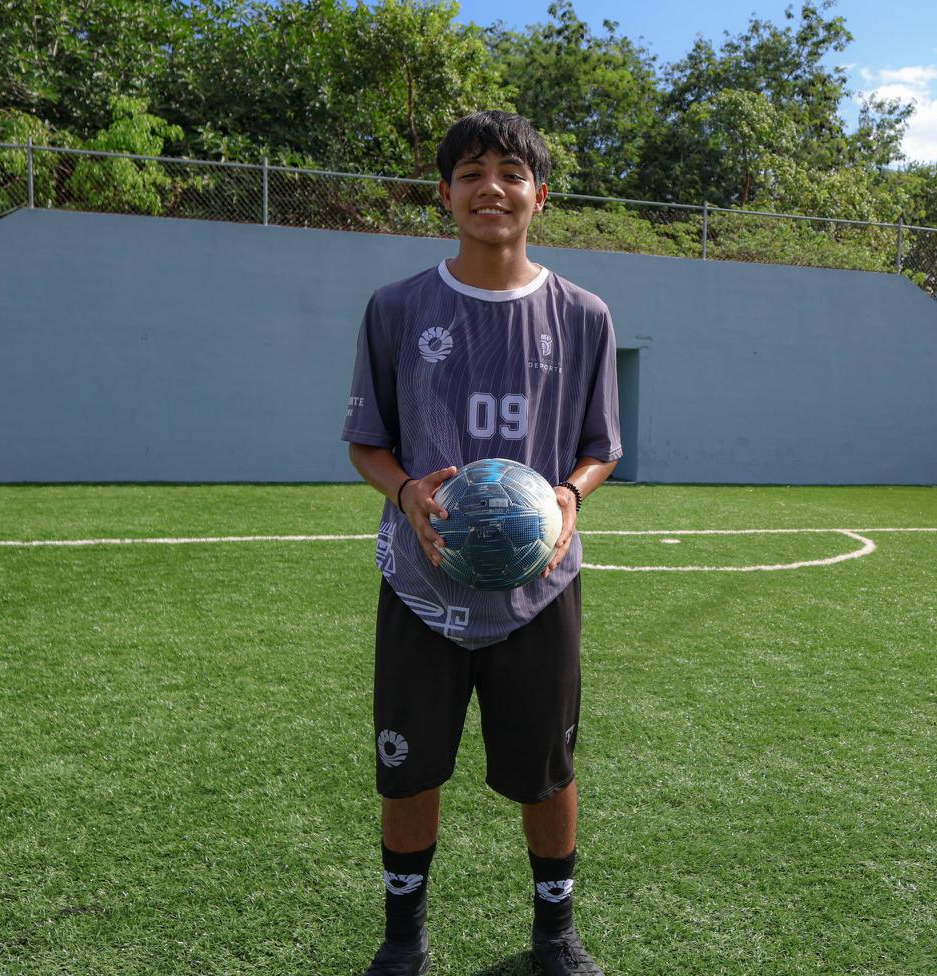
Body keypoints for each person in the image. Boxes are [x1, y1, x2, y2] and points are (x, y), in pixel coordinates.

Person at [341, 110, 622, 976]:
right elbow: (366, 442)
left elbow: (601, 447)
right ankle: (403, 940)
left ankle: (555, 936)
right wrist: (406, 491)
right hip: (422, 583)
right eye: (470, 173)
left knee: (548, 768)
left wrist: (568, 496)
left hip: (539, 588)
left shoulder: (584, 315)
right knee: (409, 769)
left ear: (540, 195)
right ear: (445, 194)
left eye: (509, 173)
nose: (489, 188)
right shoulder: (397, 308)